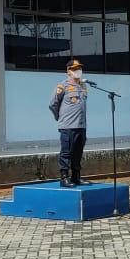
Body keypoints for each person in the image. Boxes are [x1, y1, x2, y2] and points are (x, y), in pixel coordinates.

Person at [50, 58, 89, 188]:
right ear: (68, 71)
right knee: (66, 152)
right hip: (68, 126)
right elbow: (53, 104)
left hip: (81, 125)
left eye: (80, 68)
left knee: (78, 152)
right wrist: (60, 117)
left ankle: (76, 177)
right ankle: (64, 178)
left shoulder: (83, 86)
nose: (78, 71)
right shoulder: (62, 86)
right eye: (75, 69)